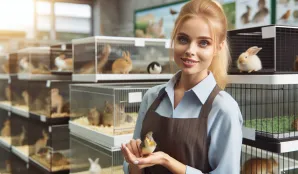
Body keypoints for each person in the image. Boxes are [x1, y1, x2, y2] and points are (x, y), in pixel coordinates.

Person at [121, 0, 243, 173]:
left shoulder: (224, 109)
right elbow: (134, 169)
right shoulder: (152, 97)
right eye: (183, 39)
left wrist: (167, 161)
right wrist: (134, 161)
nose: (190, 50)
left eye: (203, 43)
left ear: (218, 47)